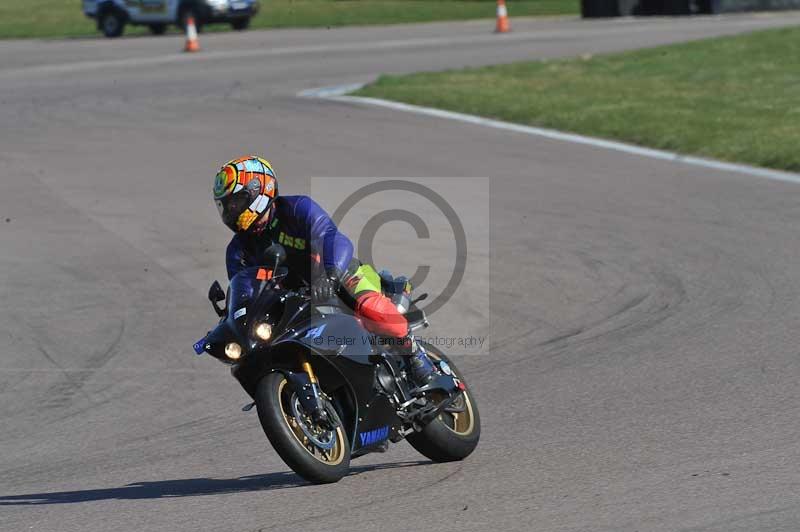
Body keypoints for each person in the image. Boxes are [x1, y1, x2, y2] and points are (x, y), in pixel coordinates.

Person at [212, 155, 436, 385]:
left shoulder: (297, 209)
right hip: (293, 303)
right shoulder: (237, 251)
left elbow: (332, 237)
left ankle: (415, 354)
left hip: (338, 277)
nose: (231, 211)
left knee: (372, 309)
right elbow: (244, 290)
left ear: (260, 189)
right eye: (226, 206)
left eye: (236, 202)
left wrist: (330, 275)